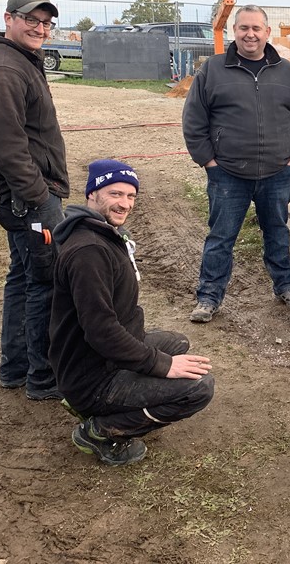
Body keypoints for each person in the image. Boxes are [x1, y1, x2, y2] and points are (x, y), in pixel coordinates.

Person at [50, 160, 214, 466]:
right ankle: (101, 431)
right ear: (92, 193)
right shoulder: (89, 251)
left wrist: (158, 360)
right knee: (198, 388)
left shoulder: (103, 233)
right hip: (91, 376)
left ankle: (113, 405)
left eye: (130, 196)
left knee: (177, 342)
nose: (124, 204)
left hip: (102, 358)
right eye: (115, 194)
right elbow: (102, 331)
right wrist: (160, 365)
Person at [183, 5, 290, 322]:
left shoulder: (287, 73)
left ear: (267, 32)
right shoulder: (213, 71)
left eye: (256, 28)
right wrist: (208, 161)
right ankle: (208, 297)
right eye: (244, 28)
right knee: (221, 237)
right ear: (234, 31)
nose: (250, 34)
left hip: (277, 172)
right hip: (228, 174)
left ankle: (285, 286)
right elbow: (194, 120)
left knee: (277, 232)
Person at [0, 0, 67, 401]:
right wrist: (38, 196)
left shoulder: (20, 60)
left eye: (46, 22)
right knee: (46, 283)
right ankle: (43, 378)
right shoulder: (4, 71)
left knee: (23, 277)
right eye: (31, 20)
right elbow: (6, 144)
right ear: (9, 18)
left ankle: (15, 368)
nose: (40, 28)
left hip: (24, 197)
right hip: (27, 200)